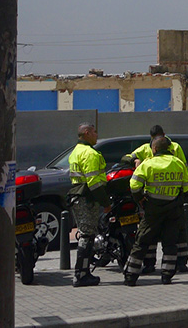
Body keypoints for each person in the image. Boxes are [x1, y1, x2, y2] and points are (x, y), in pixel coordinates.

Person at [123, 136, 188, 286]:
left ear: (154, 149)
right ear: (169, 149)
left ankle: (131, 276)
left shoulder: (148, 164)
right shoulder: (179, 163)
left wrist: (140, 199)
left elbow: (134, 185)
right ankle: (167, 275)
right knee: (170, 242)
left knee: (142, 241)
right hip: (173, 208)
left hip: (152, 208)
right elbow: (185, 187)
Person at [67, 123, 111, 287]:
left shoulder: (75, 151)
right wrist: (105, 203)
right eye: (94, 132)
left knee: (86, 234)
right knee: (87, 236)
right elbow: (94, 183)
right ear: (86, 133)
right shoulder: (89, 153)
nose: (96, 135)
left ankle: (83, 272)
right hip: (87, 198)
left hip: (79, 196)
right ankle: (81, 274)